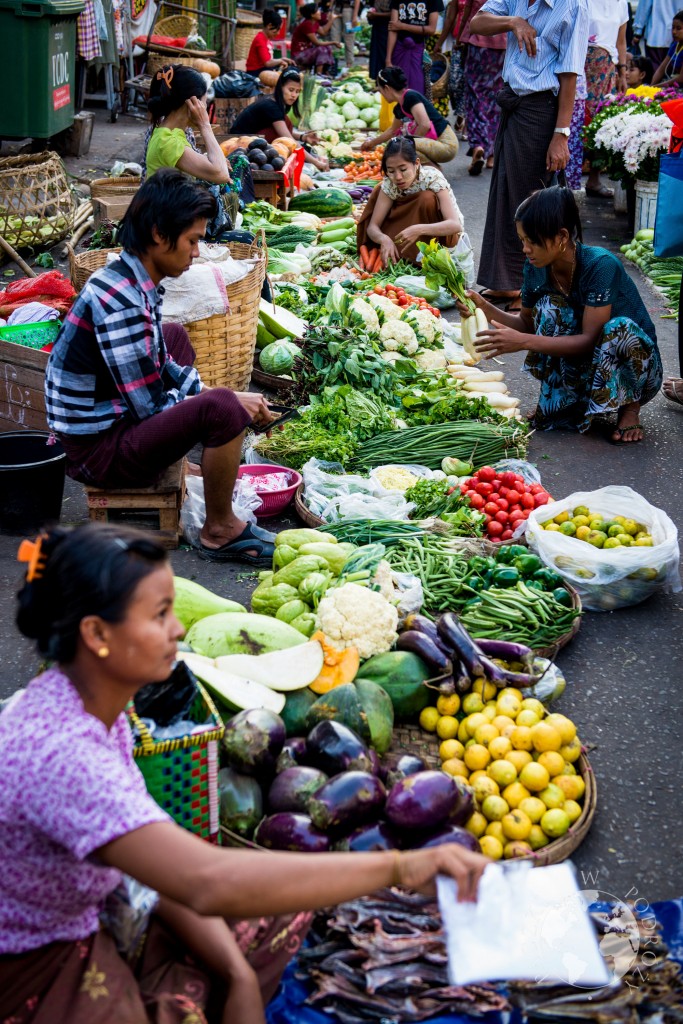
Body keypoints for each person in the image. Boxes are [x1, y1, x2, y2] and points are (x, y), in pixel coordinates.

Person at [0, 522, 489, 1023]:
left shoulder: (96, 709)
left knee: (282, 913)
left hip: (98, 909)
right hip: (33, 963)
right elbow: (204, 881)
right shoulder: (60, 752)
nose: (177, 630)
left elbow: (164, 869)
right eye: (160, 614)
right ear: (97, 634)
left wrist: (234, 973)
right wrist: (399, 869)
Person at [44, 170, 278, 566]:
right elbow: (150, 407)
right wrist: (224, 403)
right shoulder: (119, 300)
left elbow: (161, 363)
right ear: (157, 233)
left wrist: (204, 396)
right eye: (192, 240)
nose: (197, 252)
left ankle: (192, 460)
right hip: (95, 452)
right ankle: (220, 529)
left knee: (173, 336)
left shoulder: (134, 278)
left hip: (110, 419)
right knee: (223, 409)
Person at [460, 187, 663, 444]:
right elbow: (526, 324)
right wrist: (482, 306)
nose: (525, 249)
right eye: (522, 240)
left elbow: (590, 340)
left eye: (532, 241)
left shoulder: (600, 265)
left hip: (637, 368)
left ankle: (629, 408)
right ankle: (569, 401)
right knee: (549, 306)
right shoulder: (536, 267)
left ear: (561, 236)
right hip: (593, 363)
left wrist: (522, 342)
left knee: (618, 328)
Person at [470, 0, 590, 311]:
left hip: (542, 111)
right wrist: (513, 22)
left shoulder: (572, 6)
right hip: (515, 104)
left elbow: (569, 75)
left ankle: (532, 289)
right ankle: (508, 283)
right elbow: (477, 23)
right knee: (506, 196)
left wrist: (560, 135)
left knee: (531, 203)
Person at [357, 136, 464, 266]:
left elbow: (454, 224)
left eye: (403, 169)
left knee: (427, 198)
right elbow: (373, 227)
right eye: (391, 171)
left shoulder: (432, 178)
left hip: (439, 234)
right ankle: (406, 255)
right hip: (407, 231)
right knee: (379, 189)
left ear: (417, 163)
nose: (398, 177)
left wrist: (419, 229)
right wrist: (383, 239)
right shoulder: (389, 183)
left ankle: (425, 257)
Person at [145, 64, 231, 184]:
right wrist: (205, 125)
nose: (204, 108)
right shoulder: (167, 142)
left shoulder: (168, 133)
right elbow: (221, 175)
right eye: (204, 103)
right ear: (192, 104)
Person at [230, 68, 329, 171]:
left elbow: (282, 131)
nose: (294, 95)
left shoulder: (274, 101)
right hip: (239, 145)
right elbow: (290, 140)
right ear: (281, 87)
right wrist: (316, 162)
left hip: (251, 140)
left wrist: (303, 137)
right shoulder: (272, 106)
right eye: (290, 90)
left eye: (297, 91)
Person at [450, 0, 507, 174]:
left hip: (478, 44)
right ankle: (492, 155)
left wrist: (460, 37)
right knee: (497, 99)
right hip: (504, 46)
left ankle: (478, 147)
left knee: (476, 97)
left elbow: (468, 10)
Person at [362, 65, 459, 165]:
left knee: (402, 148)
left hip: (447, 144)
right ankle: (433, 171)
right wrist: (371, 143)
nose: (381, 94)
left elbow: (424, 124)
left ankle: (435, 173)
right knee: (399, 145)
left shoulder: (410, 96)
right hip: (434, 143)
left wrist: (410, 144)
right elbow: (392, 131)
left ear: (386, 88)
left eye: (380, 91)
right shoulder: (399, 107)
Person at [584, 1, 629, 198]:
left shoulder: (621, 4)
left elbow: (621, 41)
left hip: (608, 68)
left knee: (601, 121)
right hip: (584, 65)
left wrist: (622, 72)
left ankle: (594, 179)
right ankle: (565, 178)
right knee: (578, 119)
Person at [386, 0, 442, 94]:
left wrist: (403, 26)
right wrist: (388, 59)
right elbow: (393, 28)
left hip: (418, 51)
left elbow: (431, 29)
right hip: (399, 50)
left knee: (417, 90)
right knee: (396, 90)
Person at [633, 0, 680, 69]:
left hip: (655, 34)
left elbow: (644, 8)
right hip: (677, 36)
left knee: (655, 70)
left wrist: (638, 32)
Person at [246, 10, 294, 76]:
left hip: (262, 69)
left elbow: (268, 60)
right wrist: (280, 61)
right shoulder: (260, 39)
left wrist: (282, 59)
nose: (278, 33)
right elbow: (267, 63)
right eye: (277, 29)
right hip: (255, 72)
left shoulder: (266, 38)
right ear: (269, 26)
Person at [291, 3, 335, 72]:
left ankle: (325, 72)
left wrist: (332, 19)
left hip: (307, 52)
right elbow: (317, 43)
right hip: (298, 55)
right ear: (312, 15)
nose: (320, 12)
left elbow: (323, 32)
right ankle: (319, 74)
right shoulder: (307, 24)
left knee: (327, 48)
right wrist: (333, 42)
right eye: (317, 10)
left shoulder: (314, 23)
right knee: (322, 49)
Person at [360, 0, 392, 79]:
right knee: (376, 55)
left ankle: (385, 80)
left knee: (383, 55)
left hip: (387, 28)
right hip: (377, 27)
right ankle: (377, 80)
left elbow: (394, 14)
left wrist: (376, 14)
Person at [651, 10, 683, 88]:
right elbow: (661, 69)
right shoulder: (675, 45)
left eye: (678, 28)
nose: (674, 32)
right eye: (673, 28)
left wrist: (656, 87)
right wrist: (651, 86)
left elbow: (681, 78)